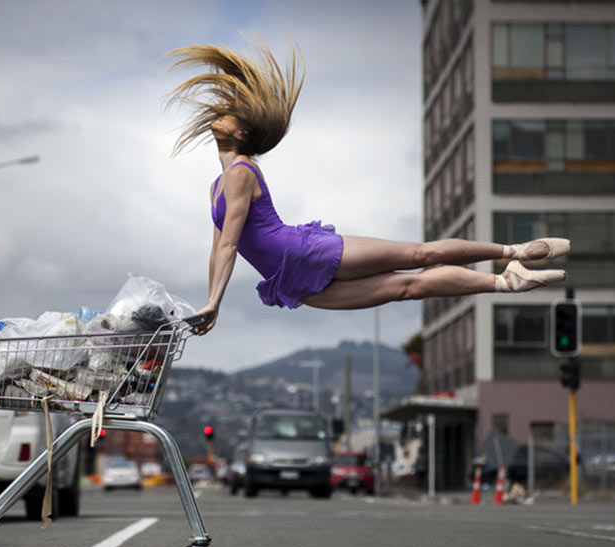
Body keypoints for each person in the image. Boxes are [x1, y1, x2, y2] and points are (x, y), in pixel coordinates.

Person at [165, 39, 569, 336]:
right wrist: (209, 304)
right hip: (291, 280)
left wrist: (214, 302)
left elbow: (231, 245)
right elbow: (217, 250)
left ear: (244, 131)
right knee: (408, 287)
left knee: (416, 254)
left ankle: (514, 251)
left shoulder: (240, 172)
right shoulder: (217, 185)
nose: (218, 116)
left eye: (228, 114)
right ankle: (505, 281)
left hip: (302, 252)